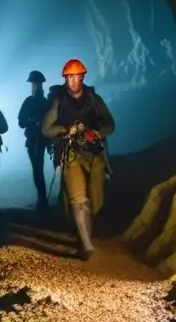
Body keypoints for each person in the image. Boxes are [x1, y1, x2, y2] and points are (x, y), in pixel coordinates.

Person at [41, 59, 114, 259]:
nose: (74, 81)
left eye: (77, 76)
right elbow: (46, 129)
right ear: (65, 79)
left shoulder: (94, 99)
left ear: (83, 77)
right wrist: (65, 130)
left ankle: (84, 235)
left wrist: (97, 132)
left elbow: (110, 124)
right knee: (78, 199)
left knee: (95, 200)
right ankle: (86, 243)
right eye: (70, 77)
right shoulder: (59, 101)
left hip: (94, 155)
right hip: (71, 154)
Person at [17, 70, 50, 210]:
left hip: (40, 140)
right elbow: (21, 121)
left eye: (35, 83)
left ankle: (42, 200)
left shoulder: (41, 102)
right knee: (37, 168)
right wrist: (33, 121)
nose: (34, 86)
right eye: (34, 83)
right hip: (34, 139)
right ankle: (42, 199)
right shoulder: (38, 102)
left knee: (37, 168)